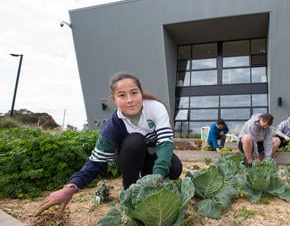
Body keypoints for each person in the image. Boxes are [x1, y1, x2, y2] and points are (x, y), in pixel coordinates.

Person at [35, 72, 182, 215]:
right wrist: (71, 187)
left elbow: (165, 143)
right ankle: (130, 192)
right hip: (127, 156)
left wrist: (157, 177)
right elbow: (96, 161)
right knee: (135, 140)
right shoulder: (113, 126)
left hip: (150, 155)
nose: (130, 100)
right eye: (122, 95)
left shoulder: (155, 108)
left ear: (141, 93)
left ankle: (146, 180)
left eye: (134, 93)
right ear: (113, 99)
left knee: (175, 168)